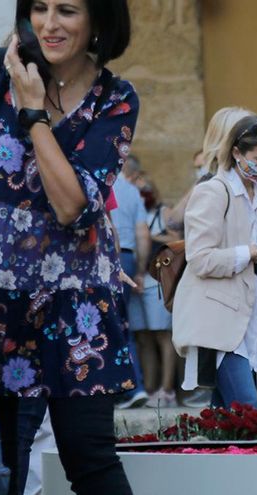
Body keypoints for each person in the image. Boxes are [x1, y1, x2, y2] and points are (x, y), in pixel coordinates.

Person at [0, 0, 138, 493]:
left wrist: (33, 113)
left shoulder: (115, 98)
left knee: (92, 459)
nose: (49, 24)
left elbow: (72, 206)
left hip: (79, 307)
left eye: (67, 10)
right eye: (39, 7)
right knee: (0, 466)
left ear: (98, 19)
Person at [174, 114, 257, 410]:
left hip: (252, 319)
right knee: (247, 411)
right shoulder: (212, 191)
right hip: (221, 324)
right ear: (237, 153)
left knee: (226, 418)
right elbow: (200, 259)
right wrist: (252, 252)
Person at [129, 178, 180, 408]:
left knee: (163, 335)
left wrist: (149, 236)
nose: (143, 192)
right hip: (135, 281)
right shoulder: (131, 209)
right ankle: (149, 388)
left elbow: (177, 240)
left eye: (146, 188)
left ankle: (167, 390)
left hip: (157, 280)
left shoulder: (163, 212)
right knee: (143, 337)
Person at [110, 155, 151, 410]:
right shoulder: (133, 192)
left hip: (104, 258)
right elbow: (142, 234)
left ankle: (126, 389)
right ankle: (135, 386)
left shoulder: (101, 183)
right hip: (127, 258)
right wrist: (140, 271)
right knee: (124, 326)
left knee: (110, 326)